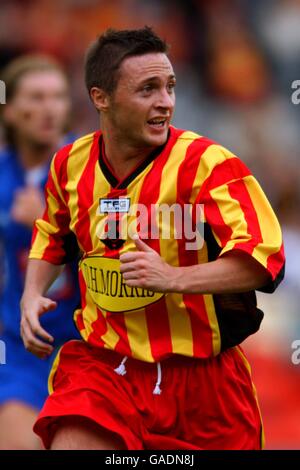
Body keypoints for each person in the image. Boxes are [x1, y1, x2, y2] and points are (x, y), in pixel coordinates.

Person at [20, 27, 285, 450]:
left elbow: (263, 259)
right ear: (100, 98)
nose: (166, 101)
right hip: (105, 369)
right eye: (148, 89)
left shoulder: (210, 165)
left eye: (170, 86)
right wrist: (31, 294)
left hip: (204, 382)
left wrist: (173, 277)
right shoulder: (69, 163)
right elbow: (52, 233)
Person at [0, 56, 80, 449]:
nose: (51, 108)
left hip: (87, 346)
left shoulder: (89, 171)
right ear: (10, 110)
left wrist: (42, 226)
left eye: (58, 97)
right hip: (21, 348)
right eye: (37, 97)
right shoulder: (1, 174)